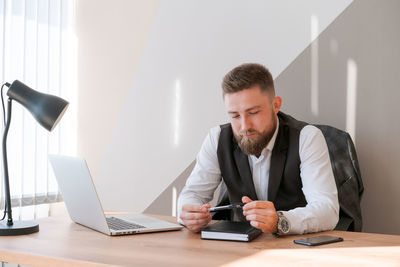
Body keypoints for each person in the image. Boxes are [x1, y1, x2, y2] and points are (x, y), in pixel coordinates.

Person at [177, 63, 339, 235]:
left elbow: (328, 210)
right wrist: (189, 214)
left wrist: (280, 221)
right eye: (235, 116)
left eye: (253, 112)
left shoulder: (307, 138)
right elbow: (193, 193)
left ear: (275, 105)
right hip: (239, 248)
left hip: (297, 247)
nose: (244, 126)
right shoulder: (216, 138)